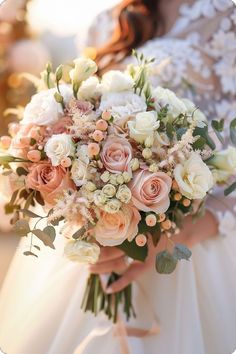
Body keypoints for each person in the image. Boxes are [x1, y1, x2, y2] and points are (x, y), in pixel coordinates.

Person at [0, 1, 236, 353]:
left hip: (197, 243)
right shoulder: (103, 24)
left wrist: (175, 234)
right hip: (106, 242)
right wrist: (92, 213)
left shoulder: (227, 18)